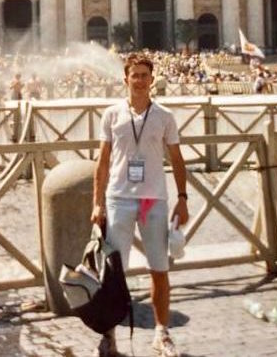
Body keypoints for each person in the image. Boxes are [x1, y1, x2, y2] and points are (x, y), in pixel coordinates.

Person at [92, 53, 189, 357]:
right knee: (114, 272)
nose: (139, 80)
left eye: (144, 75)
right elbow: (103, 162)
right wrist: (97, 203)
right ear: (126, 78)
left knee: (159, 268)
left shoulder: (164, 116)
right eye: (134, 75)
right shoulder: (111, 114)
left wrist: (182, 198)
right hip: (118, 198)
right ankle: (109, 337)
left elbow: (176, 159)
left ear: (152, 79)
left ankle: (162, 333)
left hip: (154, 199)